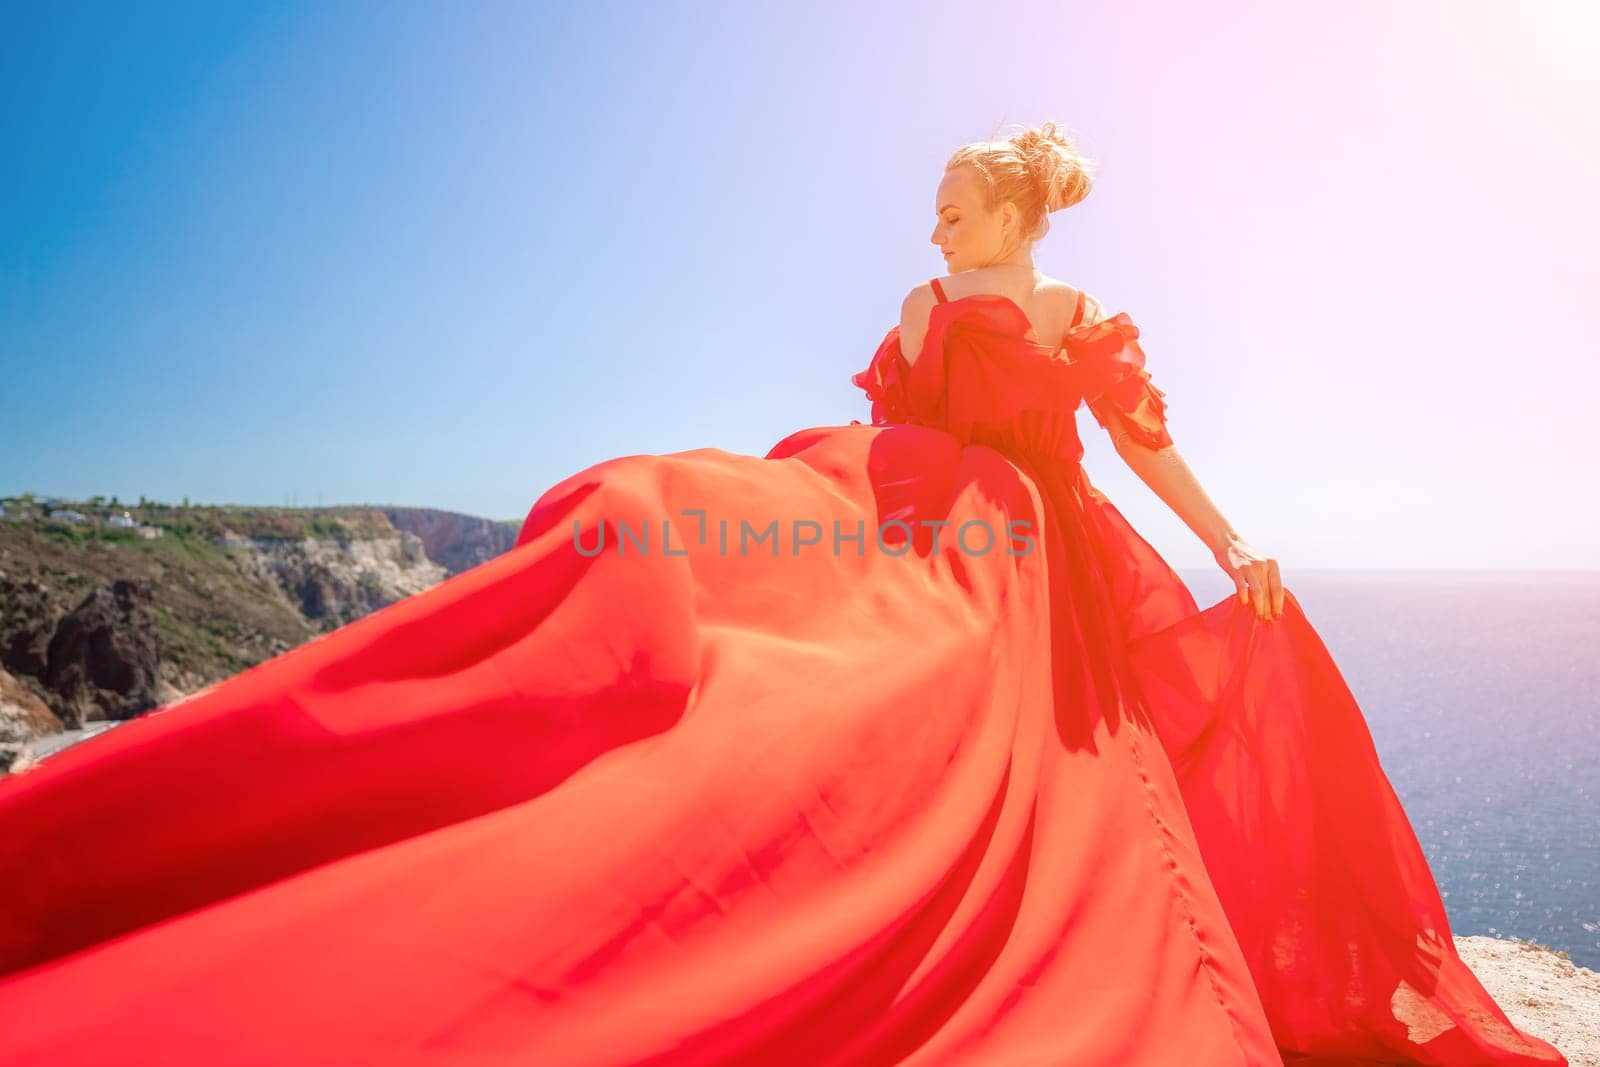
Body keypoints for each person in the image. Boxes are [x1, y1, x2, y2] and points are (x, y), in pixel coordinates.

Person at [0, 123, 1567, 1067]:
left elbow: (1145, 446)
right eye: (937, 205)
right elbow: (890, 434)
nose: (932, 222)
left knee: (1078, 794)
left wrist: (1234, 549)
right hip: (934, 530)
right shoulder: (913, 305)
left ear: (1015, 215)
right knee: (708, 536)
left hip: (1050, 553)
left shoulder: (1081, 311)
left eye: (954, 203)